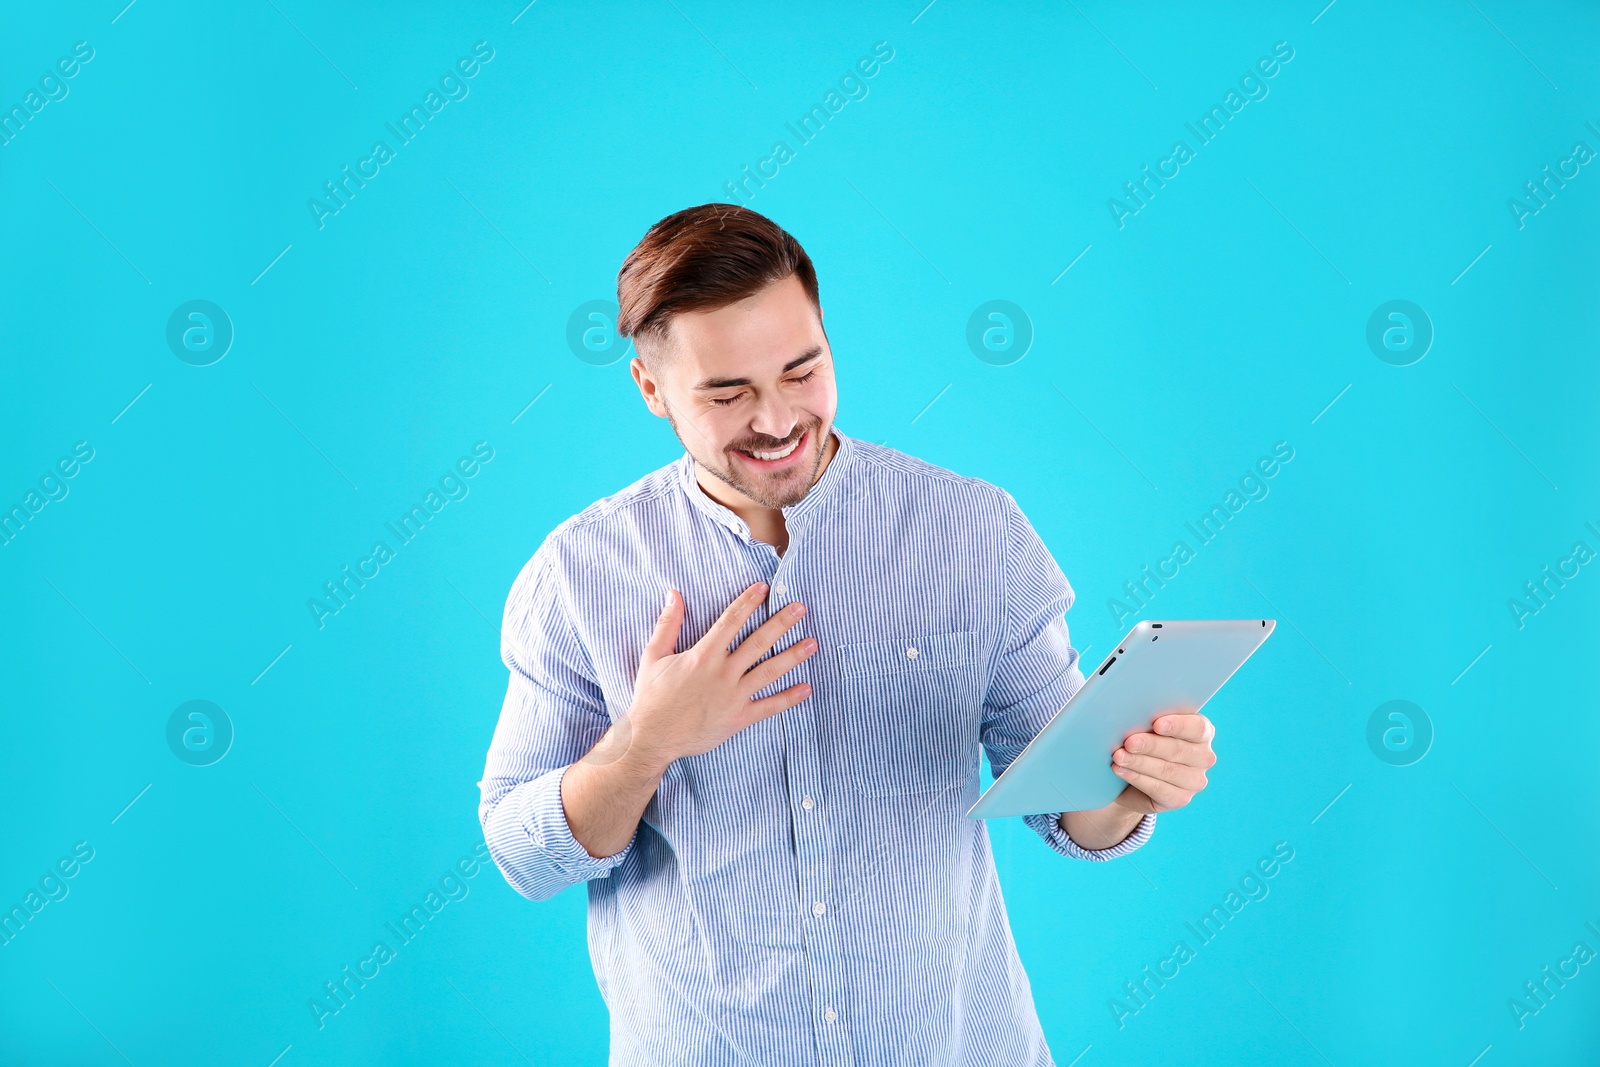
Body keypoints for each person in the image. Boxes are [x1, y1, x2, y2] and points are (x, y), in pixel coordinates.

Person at [477, 204, 1218, 1065]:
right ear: (651, 388)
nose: (778, 418)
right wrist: (649, 742)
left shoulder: (970, 531)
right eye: (728, 393)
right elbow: (524, 855)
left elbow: (1070, 807)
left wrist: (1131, 786)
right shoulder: (577, 574)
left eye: (803, 370)